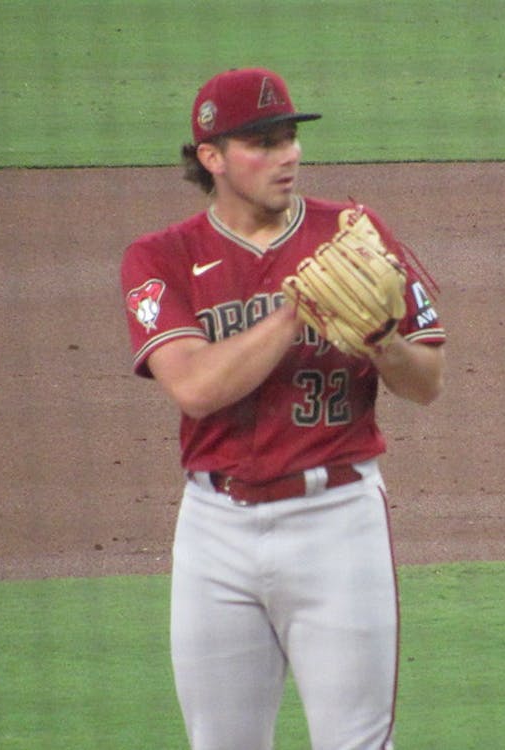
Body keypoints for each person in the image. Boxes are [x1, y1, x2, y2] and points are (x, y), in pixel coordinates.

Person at [120, 67, 446, 750]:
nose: (287, 154)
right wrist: (297, 309)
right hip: (215, 532)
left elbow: (427, 383)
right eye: (262, 142)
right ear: (211, 158)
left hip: (338, 525)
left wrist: (383, 341)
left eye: (290, 137)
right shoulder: (162, 256)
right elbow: (196, 389)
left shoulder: (355, 232)